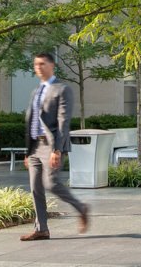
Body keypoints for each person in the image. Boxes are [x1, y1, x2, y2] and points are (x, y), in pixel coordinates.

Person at [20, 52, 90, 241]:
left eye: (42, 64)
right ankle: (41, 229)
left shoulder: (62, 89)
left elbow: (63, 121)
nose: (38, 67)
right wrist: (28, 152)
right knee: (35, 188)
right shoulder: (36, 91)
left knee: (50, 183)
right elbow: (32, 121)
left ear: (52, 66)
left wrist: (56, 149)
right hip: (35, 146)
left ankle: (80, 207)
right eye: (36, 64)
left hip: (51, 145)